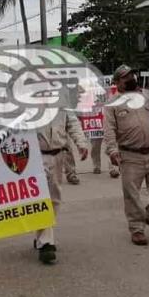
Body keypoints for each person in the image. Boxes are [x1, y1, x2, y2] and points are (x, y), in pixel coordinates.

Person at [104, 65, 149, 246]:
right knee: (131, 194)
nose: (131, 78)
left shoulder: (148, 95)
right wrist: (112, 150)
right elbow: (109, 129)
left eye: (132, 74)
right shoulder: (112, 104)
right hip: (130, 155)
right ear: (117, 82)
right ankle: (137, 229)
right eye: (125, 77)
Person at [35, 102, 89, 264]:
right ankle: (46, 242)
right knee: (41, 198)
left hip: (58, 155)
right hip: (36, 157)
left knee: (55, 199)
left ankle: (41, 235)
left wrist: (81, 143)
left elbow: (72, 122)